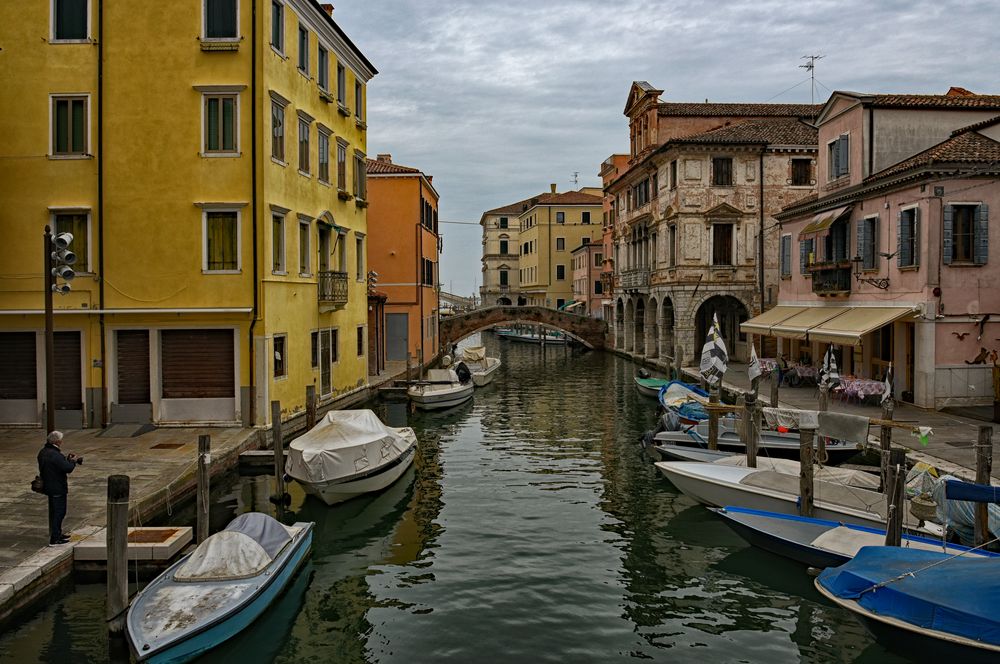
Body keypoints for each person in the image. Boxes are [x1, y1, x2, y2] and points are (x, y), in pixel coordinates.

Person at [37, 431, 80, 546]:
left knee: (56, 511)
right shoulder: (54, 454)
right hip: (57, 487)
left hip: (49, 486)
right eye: (61, 440)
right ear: (58, 441)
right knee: (59, 512)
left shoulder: (43, 452)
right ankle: (55, 538)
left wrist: (65, 459)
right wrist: (73, 461)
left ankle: (57, 533)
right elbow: (68, 468)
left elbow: (54, 465)